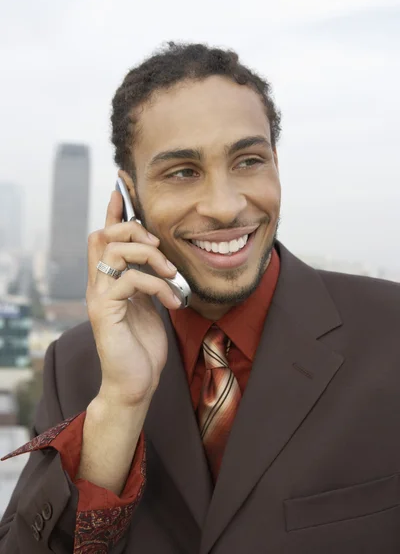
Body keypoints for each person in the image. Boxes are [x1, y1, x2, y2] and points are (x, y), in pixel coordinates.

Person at [1, 42, 399, 554]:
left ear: (275, 164)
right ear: (130, 195)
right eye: (183, 171)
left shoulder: (391, 333)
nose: (225, 206)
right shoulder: (76, 366)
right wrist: (121, 405)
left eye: (248, 161)